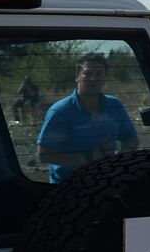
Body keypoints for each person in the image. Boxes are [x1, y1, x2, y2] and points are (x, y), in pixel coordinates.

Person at [36, 53, 139, 183]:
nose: (93, 78)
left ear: (104, 79)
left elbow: (130, 138)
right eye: (88, 73)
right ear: (77, 77)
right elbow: (44, 155)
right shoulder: (61, 111)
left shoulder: (114, 106)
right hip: (68, 185)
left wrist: (122, 157)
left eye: (98, 74)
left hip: (107, 180)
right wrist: (88, 157)